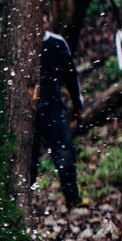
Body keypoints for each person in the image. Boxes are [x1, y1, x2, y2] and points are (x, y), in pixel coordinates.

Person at [30, 27, 84, 208]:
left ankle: (73, 199)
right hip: (26, 112)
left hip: (52, 107)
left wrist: (77, 104)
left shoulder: (56, 43)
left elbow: (71, 75)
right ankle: (24, 203)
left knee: (64, 153)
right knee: (27, 158)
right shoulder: (17, 43)